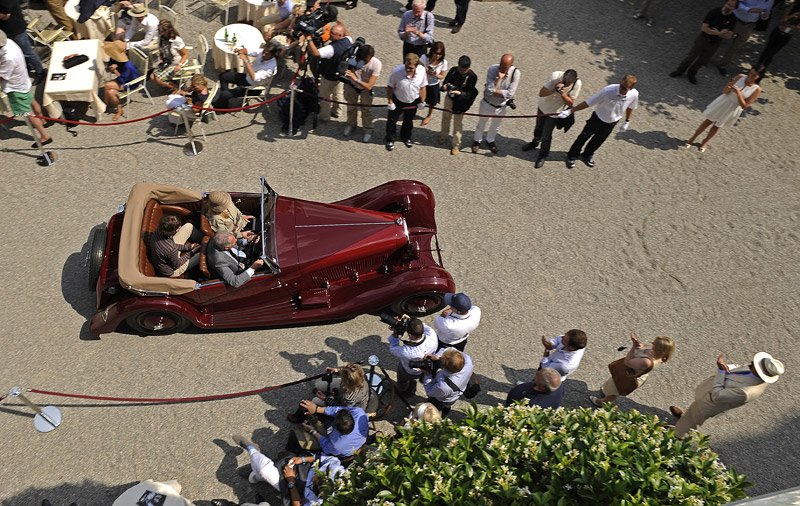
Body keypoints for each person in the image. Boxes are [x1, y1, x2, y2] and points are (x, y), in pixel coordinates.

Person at [670, 352, 784, 437]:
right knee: (693, 410)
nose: (752, 362)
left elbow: (717, 395)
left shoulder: (746, 392)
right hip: (706, 393)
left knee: (692, 420)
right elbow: (739, 368)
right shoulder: (753, 370)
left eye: (755, 364)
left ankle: (675, 437)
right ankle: (684, 417)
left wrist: (721, 371)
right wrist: (727, 367)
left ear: (760, 372)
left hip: (709, 403)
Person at [232, 434, 345, 505]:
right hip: (304, 468)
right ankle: (252, 450)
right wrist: (303, 459)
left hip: (297, 490)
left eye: (315, 480)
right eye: (318, 475)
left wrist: (291, 482)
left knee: (264, 470)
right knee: (265, 471)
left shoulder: (322, 503)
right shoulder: (337, 473)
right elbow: (328, 459)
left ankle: (254, 461)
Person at [563, 74, 639, 169]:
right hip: (597, 118)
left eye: (625, 88)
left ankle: (587, 155)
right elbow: (589, 102)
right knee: (583, 137)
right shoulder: (608, 91)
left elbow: (630, 107)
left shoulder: (634, 94)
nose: (621, 89)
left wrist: (627, 121)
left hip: (611, 122)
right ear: (620, 82)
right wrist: (570, 111)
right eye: (621, 86)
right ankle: (572, 155)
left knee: (598, 140)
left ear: (631, 88)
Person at [683, 67, 762, 152]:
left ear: (759, 77)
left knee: (717, 126)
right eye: (751, 73)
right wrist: (730, 87)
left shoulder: (757, 89)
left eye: (754, 75)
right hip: (724, 101)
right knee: (707, 121)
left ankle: (705, 142)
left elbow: (745, 105)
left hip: (733, 108)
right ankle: (692, 138)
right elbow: (725, 91)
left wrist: (738, 93)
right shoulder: (740, 76)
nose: (750, 76)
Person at [590, 333, 675, 406]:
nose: (652, 343)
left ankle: (602, 402)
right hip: (630, 372)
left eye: (655, 344)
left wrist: (634, 347)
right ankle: (606, 391)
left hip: (629, 375)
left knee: (615, 390)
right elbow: (643, 348)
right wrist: (639, 345)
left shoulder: (647, 362)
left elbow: (627, 362)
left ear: (658, 349)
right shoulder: (659, 355)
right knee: (613, 383)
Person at [0, 31, 51, 148]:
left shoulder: (8, 58)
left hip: (15, 87)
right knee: (32, 101)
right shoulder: (10, 43)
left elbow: (3, 76)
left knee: (27, 113)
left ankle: (44, 136)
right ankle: (43, 120)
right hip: (23, 80)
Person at [522, 69, 581, 168]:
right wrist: (554, 89)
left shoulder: (577, 84)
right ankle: (535, 141)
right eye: (566, 83)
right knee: (538, 127)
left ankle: (543, 155)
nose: (567, 85)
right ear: (563, 77)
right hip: (543, 107)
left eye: (569, 84)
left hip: (555, 112)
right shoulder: (555, 76)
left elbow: (570, 102)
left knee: (546, 134)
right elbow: (541, 93)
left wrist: (562, 93)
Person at [669, 0, 738, 84]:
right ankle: (680, 70)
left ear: (734, 8)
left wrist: (715, 32)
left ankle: (692, 74)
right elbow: (704, 28)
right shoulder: (714, 12)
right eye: (728, 4)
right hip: (703, 39)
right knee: (691, 56)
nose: (728, 7)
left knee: (702, 60)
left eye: (731, 6)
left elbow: (729, 36)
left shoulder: (733, 18)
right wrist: (719, 33)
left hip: (715, 44)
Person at [286, 363, 371, 422]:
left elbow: (341, 408)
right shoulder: (359, 375)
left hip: (347, 407)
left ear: (346, 381)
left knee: (315, 400)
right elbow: (348, 372)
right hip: (345, 390)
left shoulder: (350, 397)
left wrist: (326, 399)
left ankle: (300, 419)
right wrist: (336, 370)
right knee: (318, 384)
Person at [471, 53, 520, 155]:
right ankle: (477, 140)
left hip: (501, 107)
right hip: (487, 103)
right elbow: (489, 91)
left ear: (511, 65)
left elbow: (510, 93)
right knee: (481, 124)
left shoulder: (516, 73)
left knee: (495, 126)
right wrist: (499, 79)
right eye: (501, 64)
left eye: (505, 67)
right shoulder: (492, 69)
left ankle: (490, 140)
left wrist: (495, 91)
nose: (501, 68)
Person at [306, 22, 352, 122]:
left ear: (339, 36)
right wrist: (341, 25)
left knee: (324, 97)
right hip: (340, 74)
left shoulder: (331, 49)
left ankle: (324, 116)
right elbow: (347, 34)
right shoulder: (348, 40)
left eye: (332, 33)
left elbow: (316, 53)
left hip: (328, 76)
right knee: (338, 94)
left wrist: (309, 40)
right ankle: (337, 112)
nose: (329, 34)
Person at [718, 0, 774, 76]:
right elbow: (736, 2)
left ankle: (722, 65)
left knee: (736, 47)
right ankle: (705, 57)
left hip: (750, 25)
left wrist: (765, 16)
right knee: (721, 37)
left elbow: (767, 11)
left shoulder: (770, 1)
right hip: (736, 19)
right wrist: (748, 9)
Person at [213, 43, 279, 108]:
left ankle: (222, 102)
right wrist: (241, 51)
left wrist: (245, 60)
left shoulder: (271, 67)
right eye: (263, 52)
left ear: (273, 55)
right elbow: (248, 50)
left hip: (253, 87)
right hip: (247, 78)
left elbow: (254, 77)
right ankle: (223, 103)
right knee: (223, 76)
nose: (263, 54)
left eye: (266, 54)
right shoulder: (264, 52)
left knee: (224, 94)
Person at [384, 52, 426, 151]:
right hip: (397, 100)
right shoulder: (396, 72)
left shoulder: (422, 71)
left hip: (413, 101)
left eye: (410, 68)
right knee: (392, 121)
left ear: (417, 66)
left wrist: (422, 101)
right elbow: (390, 87)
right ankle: (390, 138)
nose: (408, 69)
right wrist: (390, 101)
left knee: (408, 120)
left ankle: (406, 137)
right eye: (406, 66)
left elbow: (423, 86)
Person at [387, 316, 438, 396]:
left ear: (409, 334)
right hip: (425, 368)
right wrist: (411, 320)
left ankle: (401, 391)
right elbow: (422, 326)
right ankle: (412, 387)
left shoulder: (407, 352)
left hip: (408, 371)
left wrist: (395, 333)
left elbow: (393, 348)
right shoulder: (432, 335)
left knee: (402, 381)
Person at [438, 55, 478, 155]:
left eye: (463, 70)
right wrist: (445, 86)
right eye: (460, 68)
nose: (461, 71)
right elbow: (445, 83)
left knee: (457, 124)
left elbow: (470, 93)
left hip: (461, 103)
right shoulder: (453, 70)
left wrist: (460, 93)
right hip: (449, 98)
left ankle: (456, 145)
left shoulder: (472, 77)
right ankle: (443, 135)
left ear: (468, 68)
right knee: (445, 118)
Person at [297, 405, 370, 457]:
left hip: (343, 450)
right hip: (356, 442)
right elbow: (338, 409)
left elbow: (325, 444)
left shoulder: (337, 445)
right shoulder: (359, 413)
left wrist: (312, 431)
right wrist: (317, 409)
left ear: (335, 426)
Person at [0, 0, 45, 84]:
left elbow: (5, 16)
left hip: (16, 30)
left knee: (28, 52)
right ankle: (27, 67)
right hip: (8, 31)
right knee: (19, 52)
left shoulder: (6, 2)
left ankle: (40, 71)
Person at [343, 44, 381, 142]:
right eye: (363, 59)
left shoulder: (376, 64)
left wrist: (356, 79)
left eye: (367, 59)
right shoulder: (353, 60)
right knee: (351, 107)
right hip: (351, 87)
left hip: (365, 90)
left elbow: (369, 86)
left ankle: (368, 130)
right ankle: (351, 125)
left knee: (366, 111)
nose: (364, 61)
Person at [420, 348, 474, 416]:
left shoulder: (444, 386)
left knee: (434, 410)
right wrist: (438, 356)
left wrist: (427, 374)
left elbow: (429, 391)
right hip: (453, 397)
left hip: (441, 401)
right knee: (447, 407)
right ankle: (445, 412)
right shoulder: (467, 361)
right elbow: (453, 350)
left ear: (443, 366)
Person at [755, 0, 800, 80]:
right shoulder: (792, 8)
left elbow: (798, 29)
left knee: (771, 54)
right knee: (766, 51)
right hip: (778, 32)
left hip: (786, 36)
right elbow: (782, 21)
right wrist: (792, 16)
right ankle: (756, 69)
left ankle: (760, 73)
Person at [101, 39, 142, 121]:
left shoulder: (128, 66)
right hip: (125, 78)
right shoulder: (117, 59)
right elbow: (111, 64)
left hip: (131, 82)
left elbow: (122, 80)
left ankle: (105, 103)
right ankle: (119, 110)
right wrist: (114, 66)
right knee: (111, 92)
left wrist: (115, 70)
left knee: (106, 86)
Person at [149, 20, 188, 93]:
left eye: (161, 31)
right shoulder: (162, 37)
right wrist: (161, 57)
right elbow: (162, 49)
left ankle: (177, 88)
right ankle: (170, 84)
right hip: (167, 61)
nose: (159, 33)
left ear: (168, 31)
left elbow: (185, 54)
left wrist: (179, 65)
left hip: (176, 64)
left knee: (158, 79)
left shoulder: (176, 40)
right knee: (151, 76)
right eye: (159, 31)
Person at [418, 41, 447, 127]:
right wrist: (425, 71)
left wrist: (436, 75)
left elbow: (442, 76)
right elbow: (418, 67)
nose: (437, 56)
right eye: (436, 53)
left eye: (440, 54)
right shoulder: (424, 58)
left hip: (434, 83)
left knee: (432, 102)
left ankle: (429, 115)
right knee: (417, 98)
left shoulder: (443, 62)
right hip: (423, 82)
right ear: (432, 51)